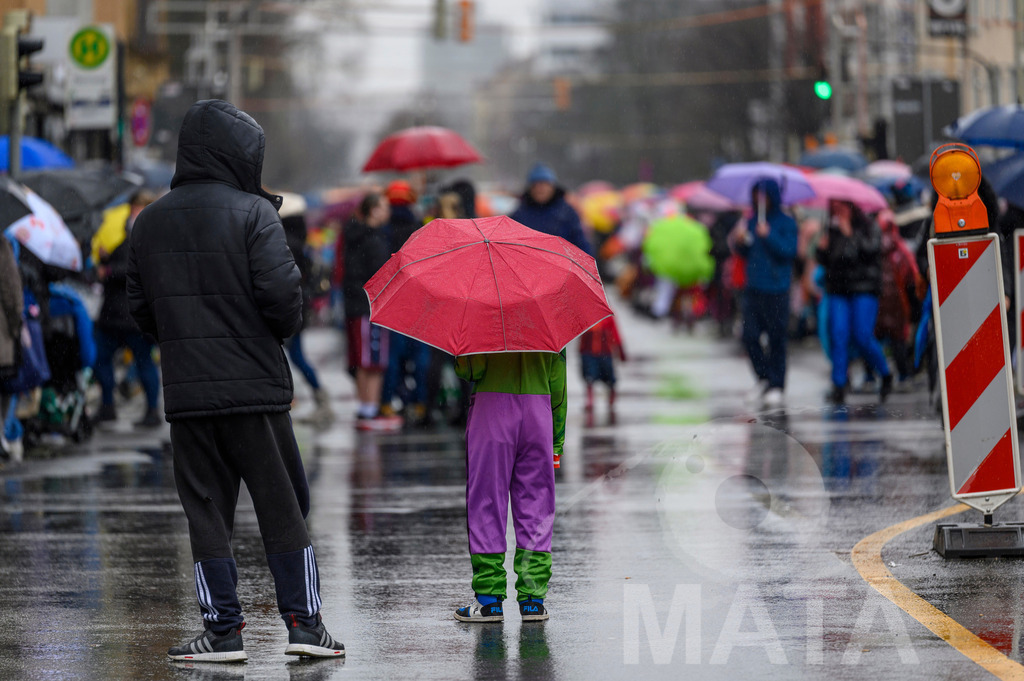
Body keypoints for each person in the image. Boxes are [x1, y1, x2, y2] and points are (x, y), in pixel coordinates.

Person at [126, 99, 344, 662]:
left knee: (206, 511)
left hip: (190, 395)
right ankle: (305, 625)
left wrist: (183, 339)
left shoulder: (148, 220)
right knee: (282, 506)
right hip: (255, 391)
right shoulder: (254, 214)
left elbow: (141, 311)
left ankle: (222, 631)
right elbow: (283, 305)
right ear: (240, 154)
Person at [453, 350, 566, 623]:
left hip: (491, 413)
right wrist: (557, 439)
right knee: (536, 506)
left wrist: (458, 356)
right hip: (538, 413)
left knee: (486, 504)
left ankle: (490, 601)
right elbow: (558, 382)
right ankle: (532, 601)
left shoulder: (482, 313)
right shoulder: (547, 317)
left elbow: (471, 369)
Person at [93, 191, 162, 428]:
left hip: (131, 314)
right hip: (116, 312)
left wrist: (110, 271)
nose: (133, 213)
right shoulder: (124, 233)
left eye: (138, 208)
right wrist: (105, 261)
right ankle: (108, 405)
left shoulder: (150, 235)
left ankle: (151, 410)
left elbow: (138, 269)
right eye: (133, 208)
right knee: (102, 359)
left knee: (142, 361)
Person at [816, 199, 893, 405]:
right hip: (838, 289)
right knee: (839, 335)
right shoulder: (831, 229)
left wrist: (849, 234)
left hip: (864, 288)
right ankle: (839, 384)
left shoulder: (868, 226)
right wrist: (822, 249)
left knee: (862, 335)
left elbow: (871, 252)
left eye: (841, 206)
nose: (837, 211)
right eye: (834, 207)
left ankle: (885, 373)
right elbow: (827, 261)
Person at [730, 178, 798, 407]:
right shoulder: (750, 221)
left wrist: (768, 235)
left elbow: (788, 252)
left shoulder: (786, 222)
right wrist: (740, 242)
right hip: (754, 287)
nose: (760, 200)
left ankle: (777, 383)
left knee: (777, 337)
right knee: (749, 334)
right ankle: (763, 377)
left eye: (764, 195)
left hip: (777, 288)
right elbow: (746, 252)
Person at [343, 191, 400, 430]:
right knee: (374, 362)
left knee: (364, 361)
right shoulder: (373, 240)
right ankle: (369, 410)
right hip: (370, 307)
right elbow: (380, 276)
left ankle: (366, 408)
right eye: (384, 207)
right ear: (373, 210)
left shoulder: (353, 236)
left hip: (355, 306)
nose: (388, 211)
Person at [379, 180, 431, 425]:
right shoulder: (419, 228)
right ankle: (420, 402)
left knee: (393, 357)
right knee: (420, 356)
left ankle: (391, 401)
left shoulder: (383, 229)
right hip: (419, 301)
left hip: (393, 301)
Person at [280, 193, 334, 427]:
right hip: (299, 306)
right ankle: (318, 399)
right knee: (296, 355)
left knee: (292, 355)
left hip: (289, 306)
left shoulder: (285, 242)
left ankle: (310, 399)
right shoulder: (300, 240)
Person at [510, 163, 592, 255]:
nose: (540, 189)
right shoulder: (519, 214)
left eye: (544, 184)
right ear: (530, 188)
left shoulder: (567, 213)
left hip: (562, 264)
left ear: (552, 187)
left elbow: (580, 242)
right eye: (536, 185)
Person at [579, 316, 626, 426]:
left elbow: (615, 333)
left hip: (604, 352)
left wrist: (620, 350)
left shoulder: (607, 316)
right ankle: (590, 400)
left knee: (610, 377)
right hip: (588, 352)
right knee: (589, 377)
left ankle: (611, 397)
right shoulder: (583, 314)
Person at [0, 235, 22, 461]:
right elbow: (11, 291)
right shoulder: (2, 244)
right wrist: (16, 325)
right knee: (5, 387)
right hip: (2, 332)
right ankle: (2, 435)